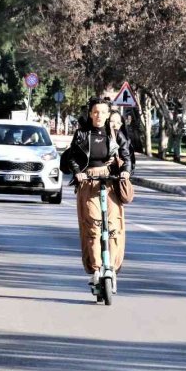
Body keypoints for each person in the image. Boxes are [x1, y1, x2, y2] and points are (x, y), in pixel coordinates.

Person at [65, 97, 132, 289]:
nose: (99, 116)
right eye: (95, 112)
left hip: (110, 181)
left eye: (103, 112)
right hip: (88, 182)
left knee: (112, 227)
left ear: (108, 114)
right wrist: (78, 172)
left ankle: (110, 266)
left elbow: (126, 155)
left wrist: (126, 171)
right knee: (93, 226)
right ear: (90, 114)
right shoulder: (81, 134)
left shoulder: (115, 135)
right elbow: (72, 157)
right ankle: (96, 268)